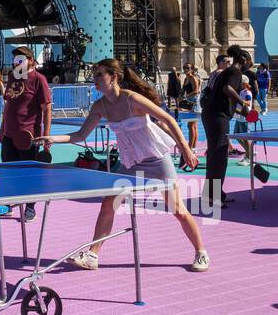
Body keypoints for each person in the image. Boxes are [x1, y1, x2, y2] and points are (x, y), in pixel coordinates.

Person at [37, 58, 207, 272]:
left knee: (177, 209)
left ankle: (201, 252)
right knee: (109, 203)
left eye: (100, 74)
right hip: (132, 161)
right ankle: (92, 255)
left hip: (156, 158)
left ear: (114, 77)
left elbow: (168, 119)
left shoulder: (132, 99)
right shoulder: (100, 106)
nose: (95, 79)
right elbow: (80, 134)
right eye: (94, 74)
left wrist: (186, 149)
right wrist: (52, 138)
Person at [0, 45, 53, 222]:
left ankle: (30, 207)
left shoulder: (39, 79)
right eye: (15, 59)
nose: (17, 62)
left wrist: (46, 135)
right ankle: (8, 204)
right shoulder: (13, 77)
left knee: (29, 175)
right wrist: (2, 130)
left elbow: (47, 108)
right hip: (10, 134)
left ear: (30, 60)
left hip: (29, 136)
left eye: (21, 59)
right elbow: (8, 105)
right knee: (8, 172)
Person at [200, 45, 251, 209]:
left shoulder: (225, 72)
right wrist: (243, 103)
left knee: (214, 156)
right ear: (243, 59)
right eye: (250, 61)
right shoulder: (235, 72)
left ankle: (213, 194)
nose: (251, 64)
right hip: (217, 118)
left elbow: (222, 98)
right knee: (220, 157)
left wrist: (239, 111)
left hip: (212, 114)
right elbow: (227, 89)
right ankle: (214, 197)